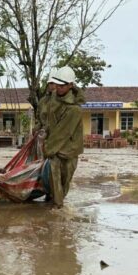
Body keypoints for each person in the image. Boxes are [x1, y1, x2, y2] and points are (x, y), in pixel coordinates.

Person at [44, 66, 84, 209]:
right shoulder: (53, 98)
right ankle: (57, 206)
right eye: (57, 85)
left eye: (62, 86)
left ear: (70, 85)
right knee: (54, 178)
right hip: (55, 147)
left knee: (65, 180)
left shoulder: (75, 109)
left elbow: (63, 133)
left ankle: (58, 202)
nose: (58, 88)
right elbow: (50, 121)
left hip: (70, 149)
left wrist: (47, 149)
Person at [36, 68, 58, 133]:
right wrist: (37, 128)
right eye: (50, 83)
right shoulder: (42, 101)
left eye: (55, 83)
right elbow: (38, 119)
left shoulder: (63, 100)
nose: (53, 85)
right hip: (44, 135)